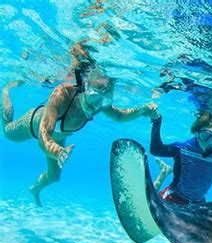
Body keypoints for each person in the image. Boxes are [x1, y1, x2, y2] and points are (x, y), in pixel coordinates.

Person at [1, 69, 157, 206]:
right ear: (85, 87)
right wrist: (57, 152)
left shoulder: (99, 103)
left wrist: (141, 111)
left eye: (105, 100)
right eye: (95, 97)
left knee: (54, 177)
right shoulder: (63, 94)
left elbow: (120, 116)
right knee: (8, 131)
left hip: (59, 138)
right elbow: (44, 136)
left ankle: (35, 189)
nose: (97, 105)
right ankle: (6, 90)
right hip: (33, 126)